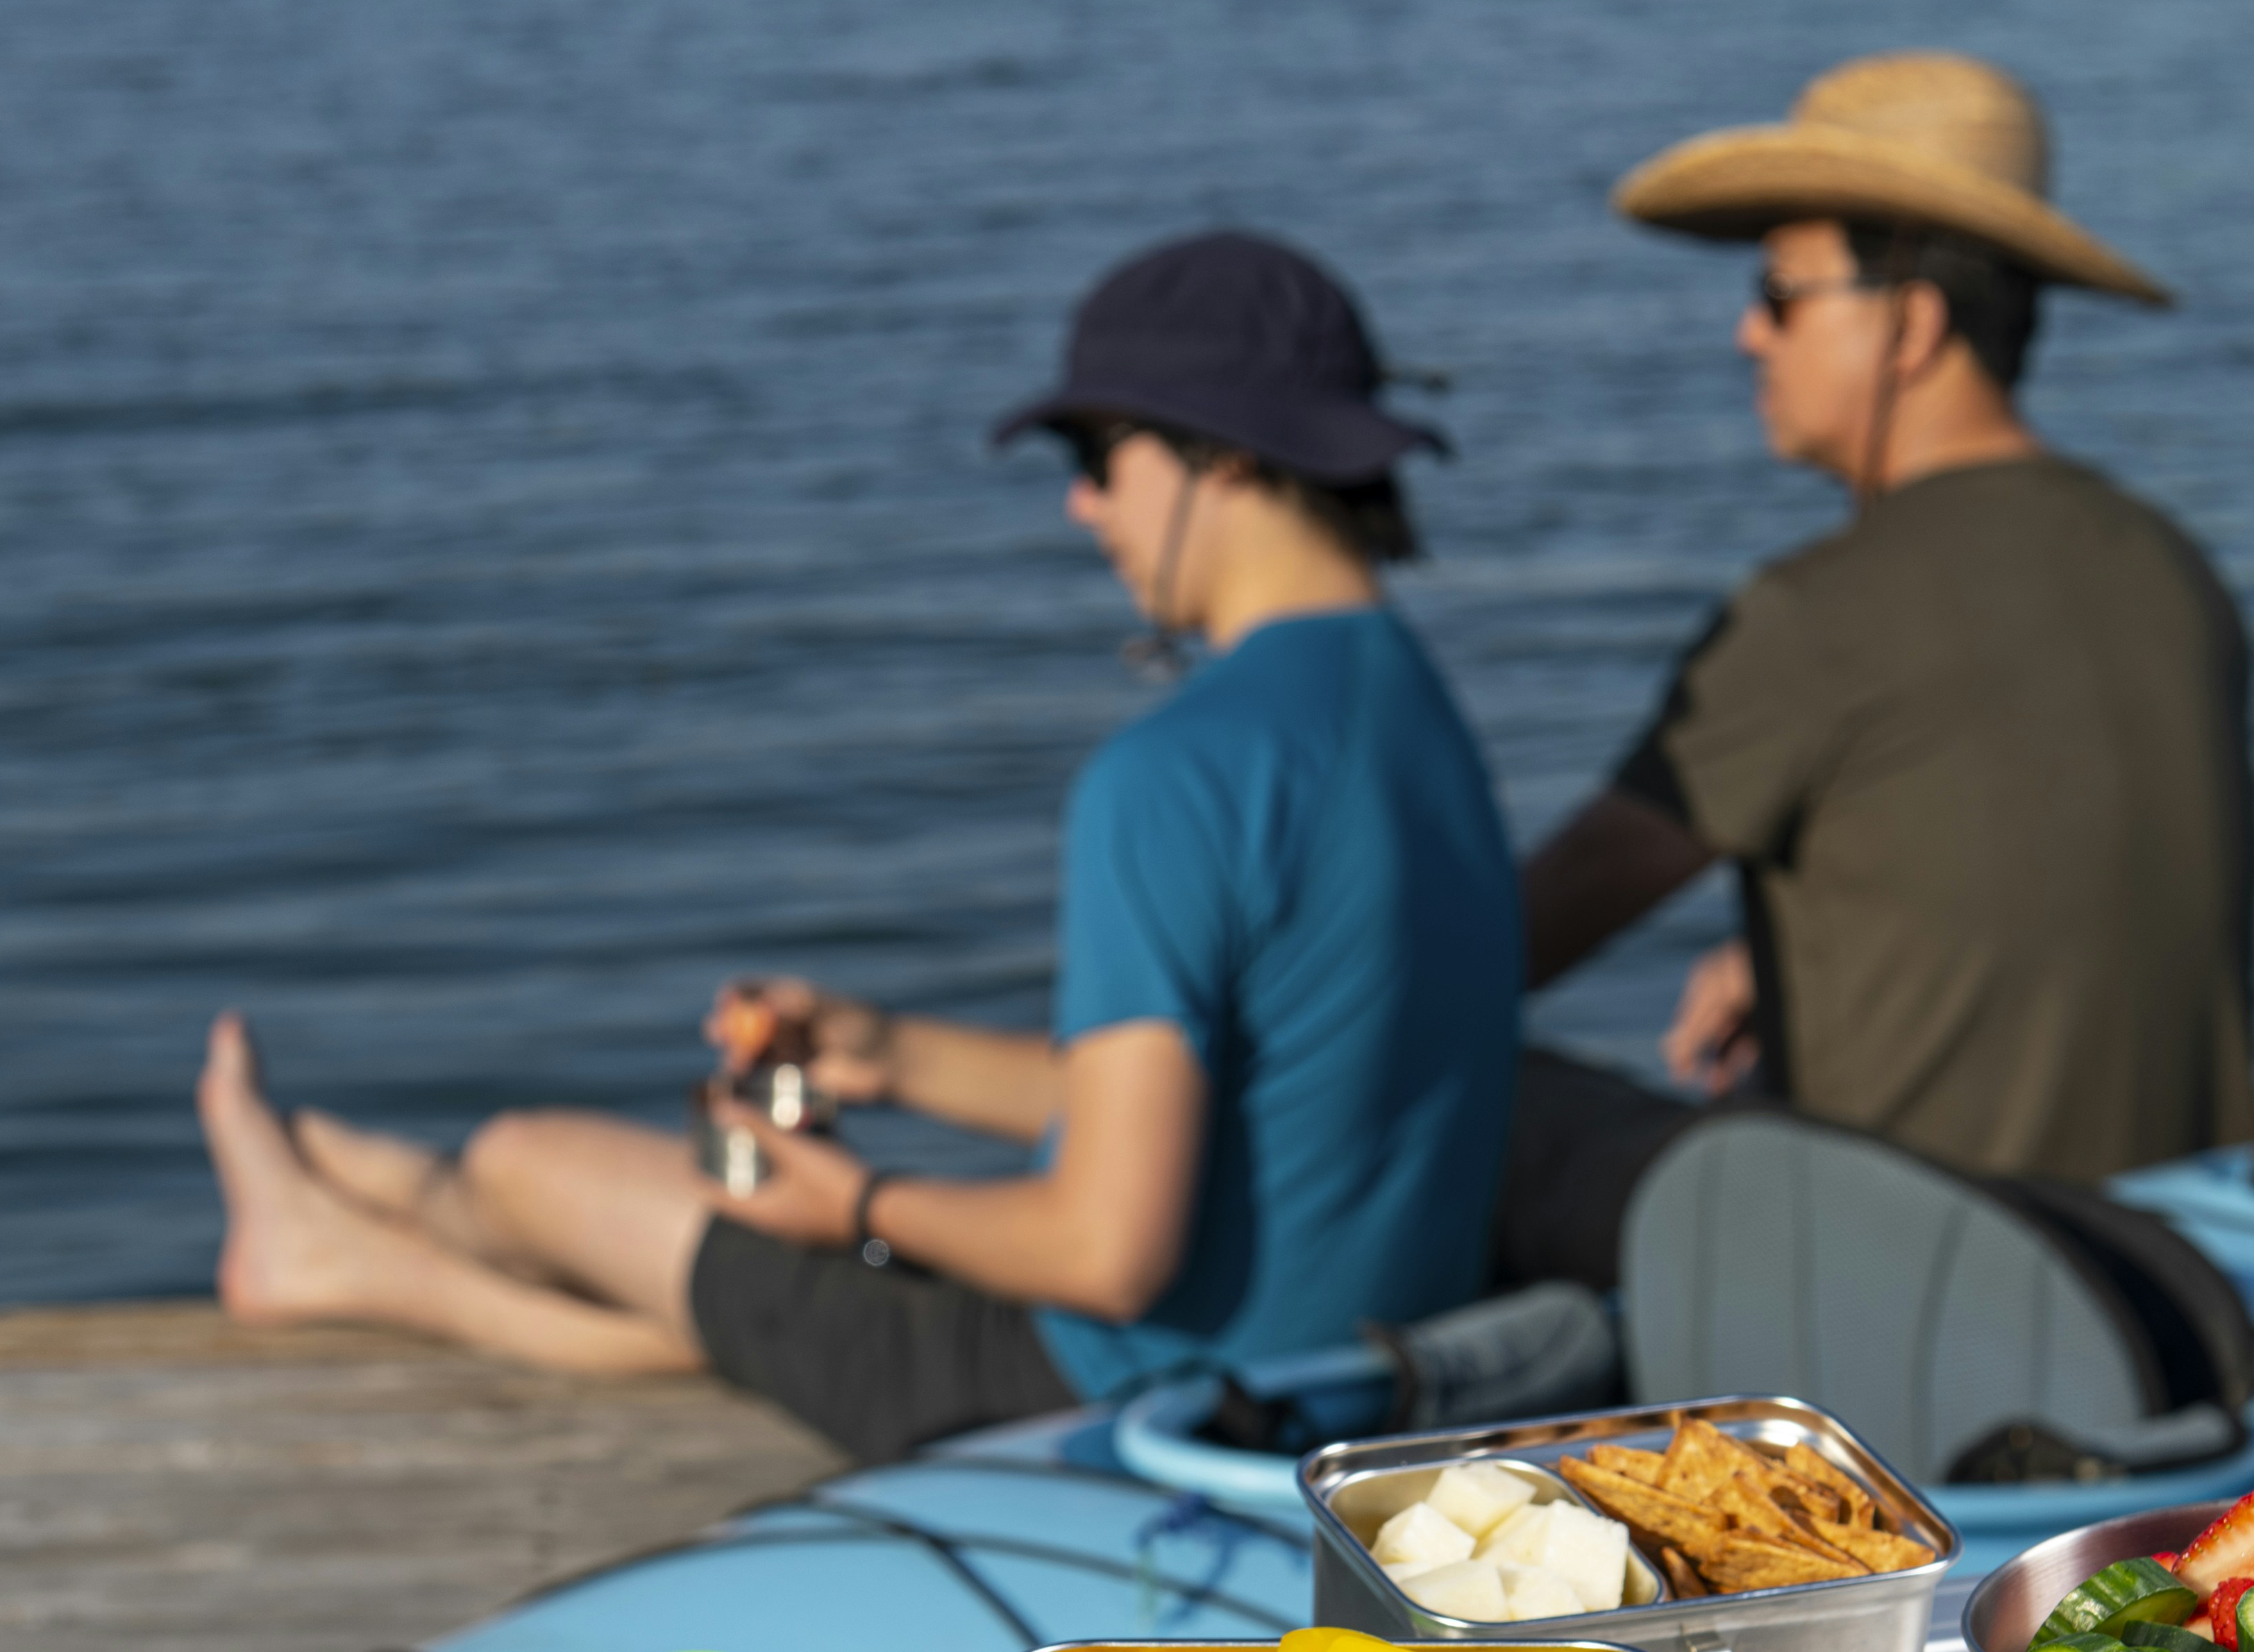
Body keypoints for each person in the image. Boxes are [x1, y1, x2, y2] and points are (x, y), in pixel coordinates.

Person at [198, 230, 1522, 1464]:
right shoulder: (1419, 709)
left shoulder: (1170, 776)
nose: (1081, 509)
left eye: (1094, 458)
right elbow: (1245, 1097)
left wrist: (859, 1205)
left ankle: (368, 1244)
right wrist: (891, 1055)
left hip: (1133, 1394)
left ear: (1221, 456)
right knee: (685, 1240)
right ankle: (363, 1196)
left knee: (526, 1159)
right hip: (1349, 1368)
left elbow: (1107, 1250)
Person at [1508, 49, 2254, 1246]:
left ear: (1910, 323)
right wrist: (1790, 954)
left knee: (1492, 1100)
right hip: (2182, 1267)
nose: (1750, 334)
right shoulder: (2172, 569)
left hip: (1922, 1295)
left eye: (1783, 294)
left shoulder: (1819, 614)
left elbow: (1531, 932)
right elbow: (2057, 851)